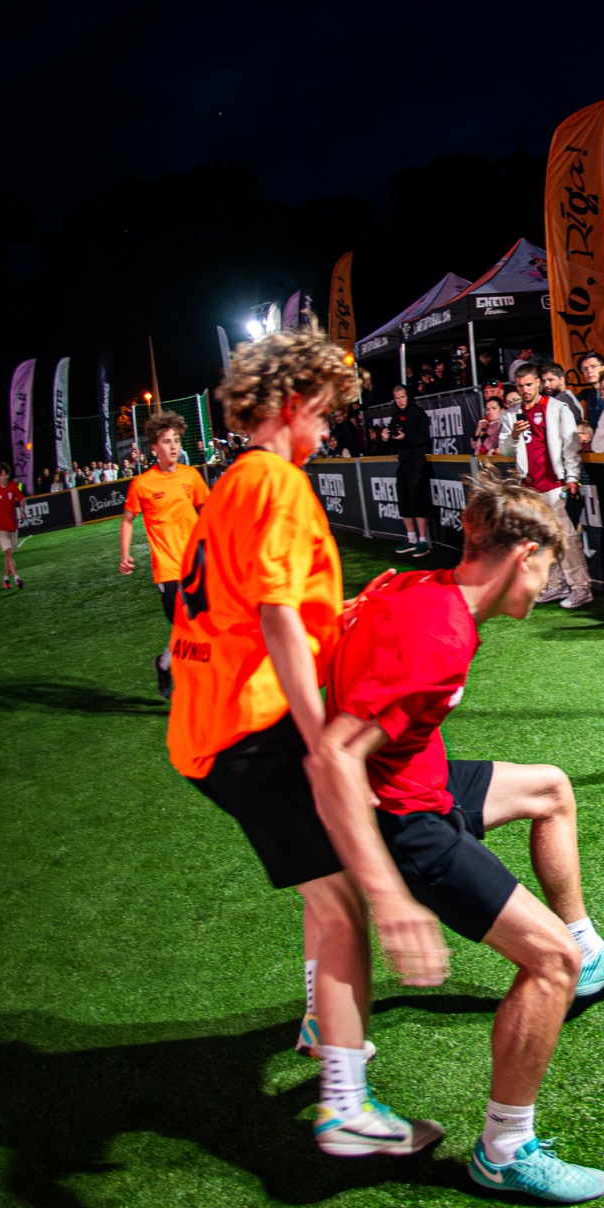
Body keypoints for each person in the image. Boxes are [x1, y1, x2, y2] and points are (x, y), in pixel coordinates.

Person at [311, 469, 604, 1202]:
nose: (548, 581)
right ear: (522, 555)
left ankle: (590, 951)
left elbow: (341, 641)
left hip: (421, 778)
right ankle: (505, 1150)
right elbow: (337, 754)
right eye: (549, 565)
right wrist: (385, 894)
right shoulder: (438, 634)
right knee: (547, 963)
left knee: (551, 789)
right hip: (404, 817)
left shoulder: (420, 586)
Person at [166, 323, 432, 1160]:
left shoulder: (232, 482)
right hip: (252, 728)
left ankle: (325, 1025)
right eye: (325, 411)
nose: (329, 427)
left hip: (211, 725)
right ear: (293, 402)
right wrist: (321, 742)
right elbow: (278, 617)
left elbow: (252, 607)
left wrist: (339, 617)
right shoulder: (277, 483)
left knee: (327, 893)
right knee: (346, 899)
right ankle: (345, 1109)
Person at [119, 410, 213, 698]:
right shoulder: (142, 484)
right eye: (166, 441)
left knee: (198, 627)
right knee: (187, 629)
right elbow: (127, 519)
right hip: (168, 569)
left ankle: (165, 664)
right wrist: (124, 555)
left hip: (197, 565)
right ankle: (195, 685)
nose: (173, 446)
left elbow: (208, 512)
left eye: (176, 440)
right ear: (154, 447)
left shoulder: (191, 476)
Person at [510, 364, 594, 609]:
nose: (524, 390)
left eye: (529, 384)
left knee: (567, 539)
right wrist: (513, 435)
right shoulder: (513, 413)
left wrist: (572, 476)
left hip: (555, 484)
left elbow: (571, 445)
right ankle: (556, 585)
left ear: (538, 383)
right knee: (542, 540)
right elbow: (506, 450)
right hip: (529, 487)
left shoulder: (556, 408)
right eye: (520, 386)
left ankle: (581, 588)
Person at [387, 384, 432, 557]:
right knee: (404, 499)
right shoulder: (395, 416)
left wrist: (406, 437)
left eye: (402, 397)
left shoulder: (418, 413)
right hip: (403, 462)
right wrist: (386, 438)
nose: (400, 401)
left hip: (418, 461)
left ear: (408, 396)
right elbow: (393, 442)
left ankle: (423, 541)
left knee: (417, 500)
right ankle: (411, 539)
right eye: (397, 398)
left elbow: (425, 438)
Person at [0, 466, 26, 589]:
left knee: (9, 554)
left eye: (6, 474)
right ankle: (17, 578)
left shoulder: (13, 486)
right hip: (0, 527)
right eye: (1, 474)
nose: (4, 477)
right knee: (8, 553)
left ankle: (5, 579)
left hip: (12, 526)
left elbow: (22, 499)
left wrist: (23, 510)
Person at [574, 352, 604, 424]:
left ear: (603, 368)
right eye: (585, 369)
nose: (589, 371)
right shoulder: (590, 395)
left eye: (593, 366)